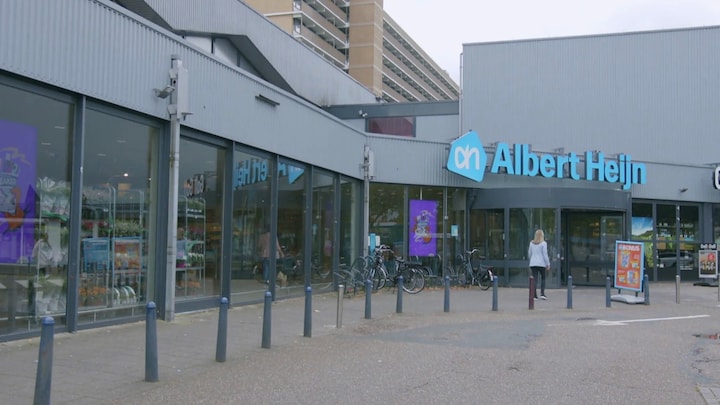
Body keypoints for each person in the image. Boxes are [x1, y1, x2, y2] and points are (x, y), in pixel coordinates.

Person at [528, 229, 550, 300]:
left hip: (533, 263)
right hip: (541, 263)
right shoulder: (543, 243)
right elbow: (545, 254)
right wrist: (548, 263)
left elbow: (529, 253)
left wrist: (531, 259)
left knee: (535, 279)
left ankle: (534, 295)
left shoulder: (531, 243)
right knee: (543, 278)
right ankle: (542, 294)